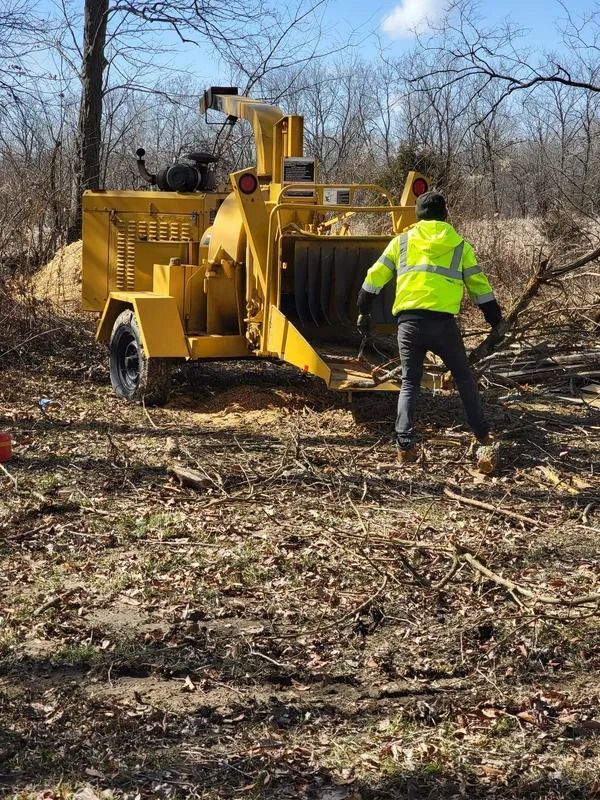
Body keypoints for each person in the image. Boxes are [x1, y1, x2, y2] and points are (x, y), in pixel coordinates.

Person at [356, 190, 502, 463]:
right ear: (445, 214)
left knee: (410, 382)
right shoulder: (459, 246)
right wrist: (496, 322)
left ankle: (404, 446)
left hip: (409, 324)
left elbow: (374, 278)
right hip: (444, 325)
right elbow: (480, 288)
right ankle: (482, 434)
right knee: (463, 378)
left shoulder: (402, 242)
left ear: (417, 215)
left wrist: (364, 312)